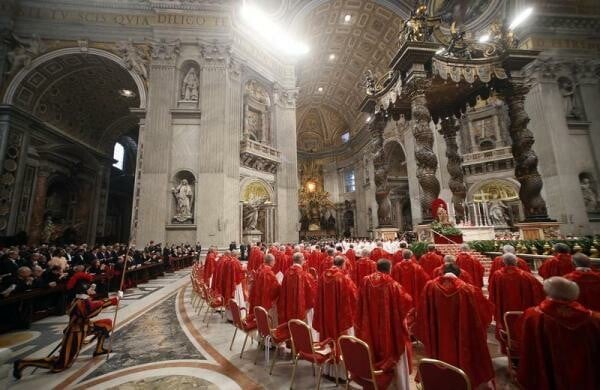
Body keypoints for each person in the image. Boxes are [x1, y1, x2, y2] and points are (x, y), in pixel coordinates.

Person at [13, 272, 122, 379]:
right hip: (75, 332)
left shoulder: (82, 299)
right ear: (83, 288)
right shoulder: (80, 303)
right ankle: (23, 363)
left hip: (85, 327)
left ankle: (99, 349)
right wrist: (115, 299)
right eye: (90, 287)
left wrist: (112, 299)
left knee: (105, 324)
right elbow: (94, 307)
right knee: (61, 364)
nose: (92, 288)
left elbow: (93, 303)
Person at [415, 262, 495, 389]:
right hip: (462, 336)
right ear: (459, 274)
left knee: (440, 355)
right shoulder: (468, 289)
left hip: (439, 335)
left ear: (442, 273)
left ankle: (439, 380)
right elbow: (484, 314)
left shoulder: (430, 287)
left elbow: (422, 312)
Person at [517, 277, 600, 390]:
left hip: (548, 374)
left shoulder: (533, 316)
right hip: (586, 374)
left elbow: (526, 345)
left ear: (547, 291)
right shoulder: (593, 318)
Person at [356, 259, 413, 389]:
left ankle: (370, 376)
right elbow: (407, 301)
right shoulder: (392, 284)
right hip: (387, 327)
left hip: (369, 325)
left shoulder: (365, 281)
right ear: (389, 269)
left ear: (377, 267)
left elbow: (359, 301)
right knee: (394, 344)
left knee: (371, 344)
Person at [488, 253, 544, 352]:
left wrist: (494, 307)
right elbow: (538, 292)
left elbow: (492, 293)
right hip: (523, 311)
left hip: (504, 310)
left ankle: (508, 350)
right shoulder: (527, 276)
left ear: (503, 262)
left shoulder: (497, 275)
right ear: (517, 261)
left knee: (506, 327)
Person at [313, 256, 357, 342]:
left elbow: (318, 294)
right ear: (342, 265)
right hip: (338, 311)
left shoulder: (323, 275)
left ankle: (326, 343)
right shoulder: (343, 277)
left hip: (325, 310)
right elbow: (352, 294)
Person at [277, 252, 317, 329]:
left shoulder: (287, 272)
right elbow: (311, 292)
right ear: (301, 260)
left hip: (289, 305)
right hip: (301, 308)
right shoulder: (304, 275)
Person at [246, 254, 280, 327]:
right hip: (266, 301)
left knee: (260, 317)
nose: (275, 263)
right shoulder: (269, 273)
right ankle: (269, 331)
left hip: (258, 299)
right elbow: (274, 289)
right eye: (274, 261)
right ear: (271, 262)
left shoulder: (260, 269)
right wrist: (280, 286)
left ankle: (262, 330)